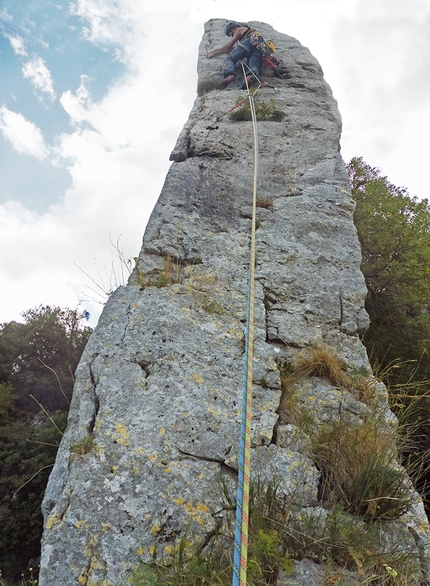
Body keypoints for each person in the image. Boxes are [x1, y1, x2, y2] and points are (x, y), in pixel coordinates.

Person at [207, 21, 264, 89]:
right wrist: (214, 51)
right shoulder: (250, 33)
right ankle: (250, 77)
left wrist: (212, 54)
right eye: (229, 33)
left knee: (229, 59)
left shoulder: (239, 30)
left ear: (236, 27)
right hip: (259, 48)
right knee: (253, 65)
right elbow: (232, 49)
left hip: (249, 42)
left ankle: (230, 74)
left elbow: (228, 48)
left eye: (231, 31)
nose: (231, 33)